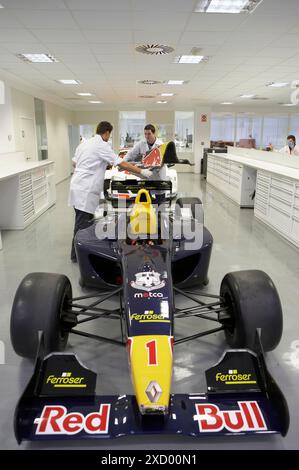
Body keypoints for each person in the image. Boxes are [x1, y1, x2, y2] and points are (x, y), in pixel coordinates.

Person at [69, 121, 152, 262]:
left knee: (81, 221)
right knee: (82, 224)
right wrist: (142, 171)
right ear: (106, 132)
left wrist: (97, 164)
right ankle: (77, 256)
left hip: (77, 185)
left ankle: (78, 253)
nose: (109, 137)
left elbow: (75, 162)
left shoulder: (84, 144)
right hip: (86, 189)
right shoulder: (102, 145)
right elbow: (121, 163)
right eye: (109, 134)